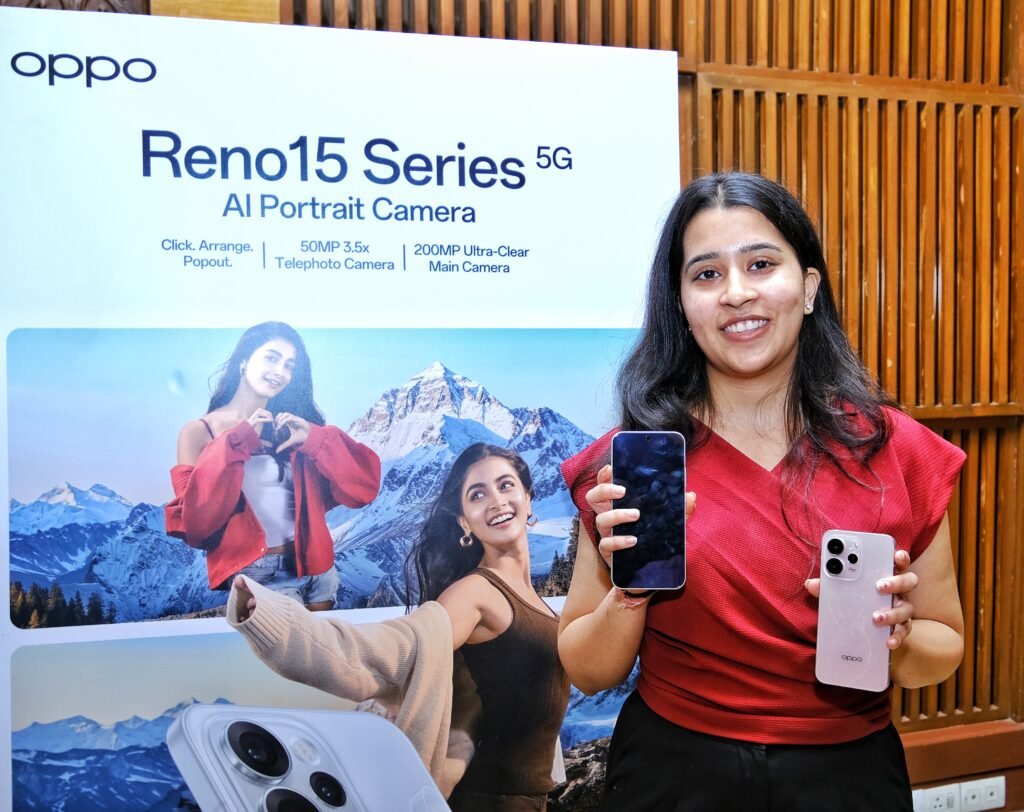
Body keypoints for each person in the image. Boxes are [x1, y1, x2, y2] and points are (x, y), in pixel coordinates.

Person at [558, 172, 966, 811]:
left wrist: (900, 635)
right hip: (672, 774)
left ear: (809, 288)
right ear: (680, 304)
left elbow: (941, 650)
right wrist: (630, 592)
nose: (736, 293)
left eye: (761, 264)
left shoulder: (898, 450)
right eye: (706, 274)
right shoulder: (638, 463)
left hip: (847, 777)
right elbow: (588, 668)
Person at [228, 443, 570, 809]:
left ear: (528, 498)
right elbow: (390, 650)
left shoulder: (536, 602)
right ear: (464, 521)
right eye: (477, 494)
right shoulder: (475, 593)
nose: (496, 501)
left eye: (505, 485)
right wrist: (276, 622)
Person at [165, 321, 381, 610]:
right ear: (243, 360)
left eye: (289, 365)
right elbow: (197, 526)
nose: (280, 371)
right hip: (260, 573)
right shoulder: (199, 432)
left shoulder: (294, 427)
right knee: (291, 643)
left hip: (319, 571)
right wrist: (238, 441)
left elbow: (363, 489)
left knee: (320, 642)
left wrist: (315, 439)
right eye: (271, 357)